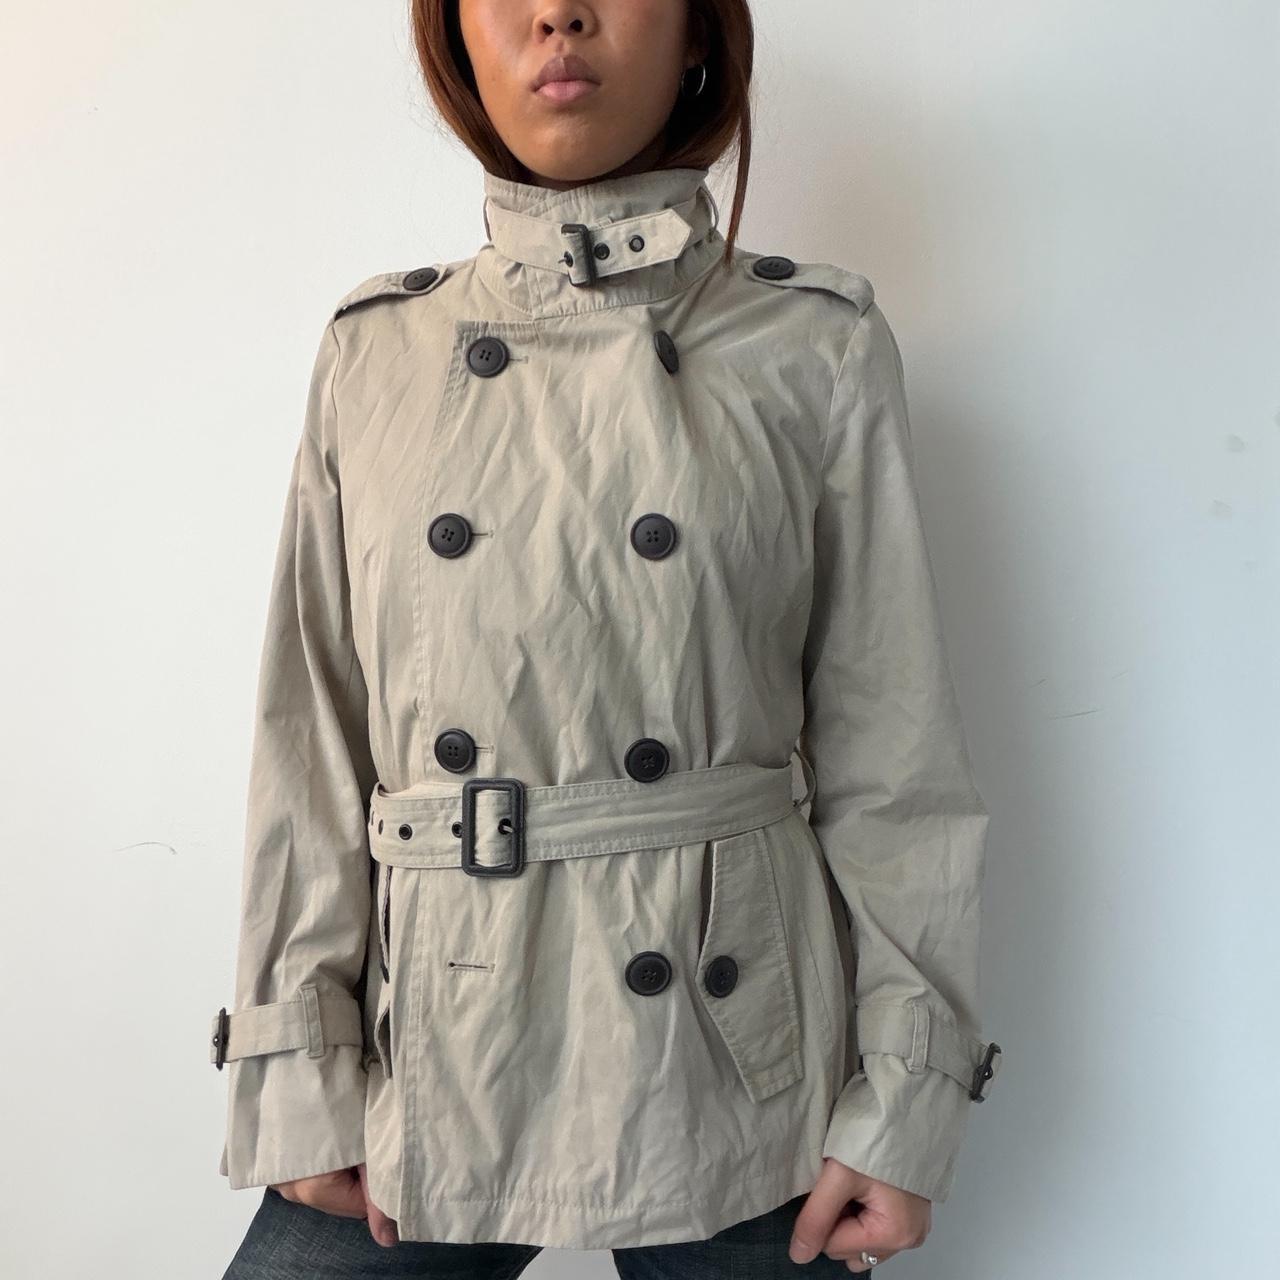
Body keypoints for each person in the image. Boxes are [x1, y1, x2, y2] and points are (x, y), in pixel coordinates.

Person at [211, 1, 1003, 1275]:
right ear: (454, 37)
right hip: (439, 1030)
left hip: (730, 1047)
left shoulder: (816, 345)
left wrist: (907, 1093)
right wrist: (299, 1061)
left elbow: (892, 758)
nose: (557, 14)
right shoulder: (377, 352)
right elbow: (308, 740)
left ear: (695, 33)